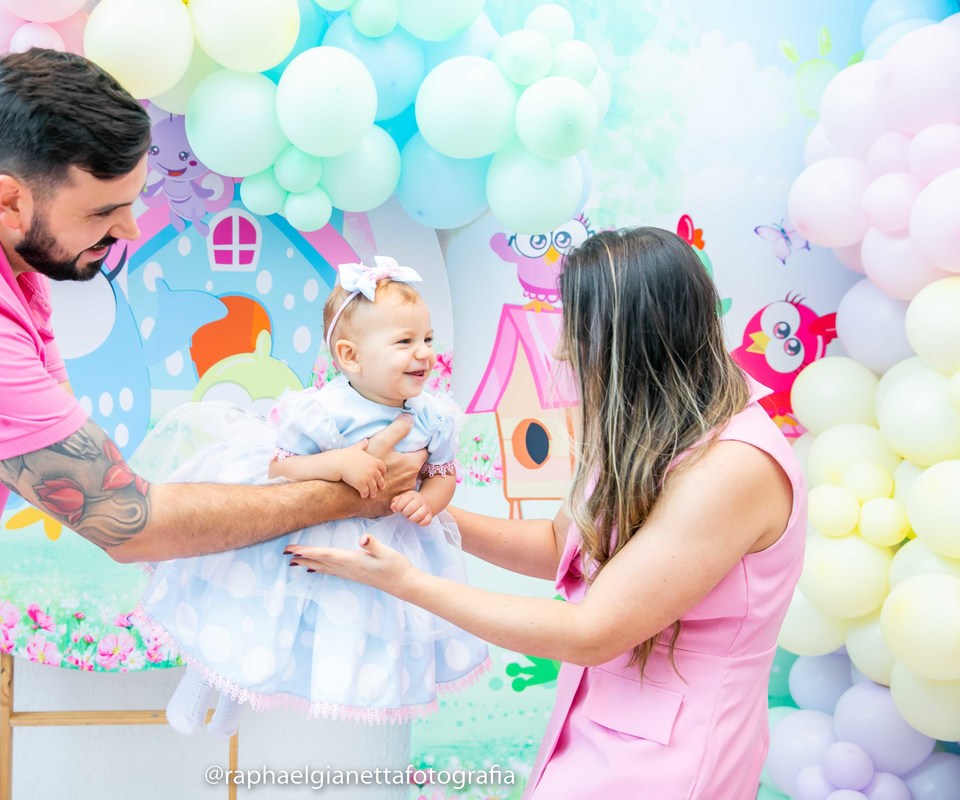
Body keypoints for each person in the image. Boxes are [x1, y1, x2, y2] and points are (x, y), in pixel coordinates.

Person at [0, 49, 424, 712]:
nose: (129, 229)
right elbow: (129, 523)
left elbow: (91, 462)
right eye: (105, 210)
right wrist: (344, 497)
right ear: (11, 200)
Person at [285, 228, 807, 799]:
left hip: (672, 761)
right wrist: (417, 511)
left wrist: (406, 582)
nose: (562, 352)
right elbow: (562, 548)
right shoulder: (645, 428)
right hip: (593, 732)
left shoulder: (735, 466)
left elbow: (591, 631)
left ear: (636, 337)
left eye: (577, 332)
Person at [129, 258, 489, 737]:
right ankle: (195, 692)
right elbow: (282, 466)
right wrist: (339, 464)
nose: (423, 353)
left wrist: (430, 502)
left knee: (295, 632)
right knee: (249, 611)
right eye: (405, 342)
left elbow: (442, 473)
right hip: (293, 526)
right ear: (351, 356)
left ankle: (237, 705)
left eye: (427, 338)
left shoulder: (433, 417)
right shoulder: (324, 409)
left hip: (372, 541)